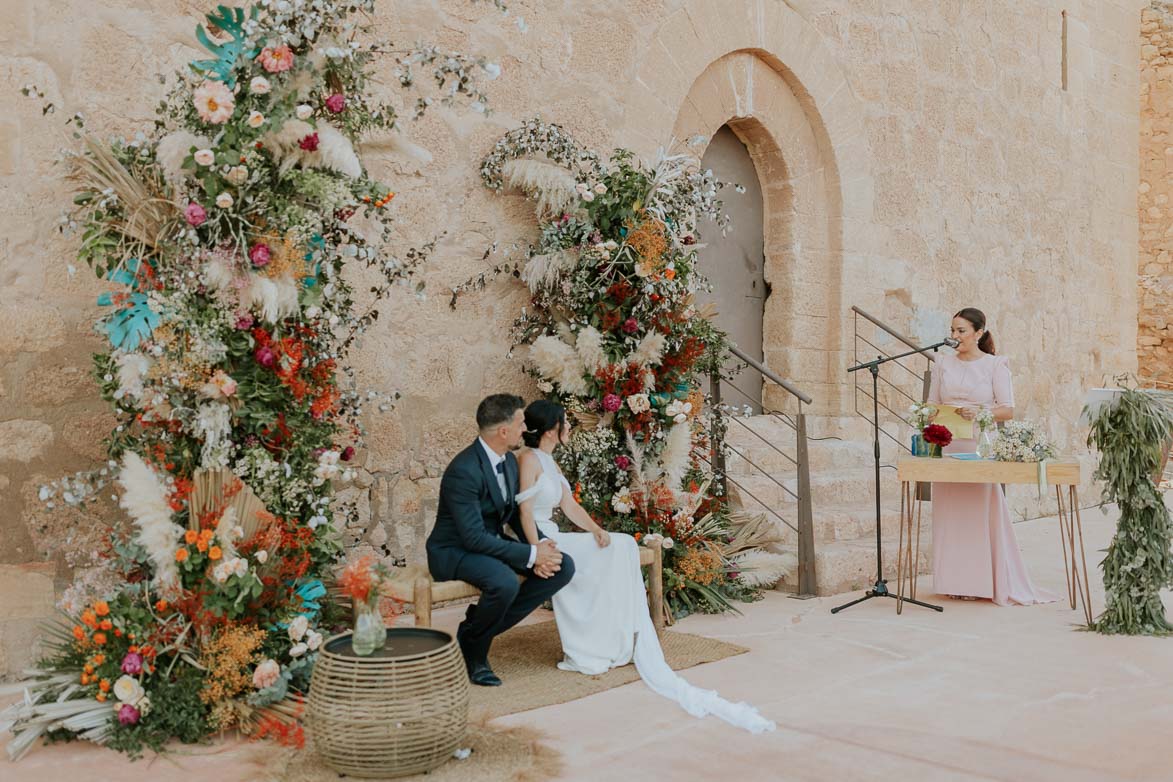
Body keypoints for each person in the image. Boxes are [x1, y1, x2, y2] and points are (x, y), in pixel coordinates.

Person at [511, 399, 775, 733]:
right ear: (551, 428)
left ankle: (616, 638)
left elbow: (569, 505)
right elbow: (523, 512)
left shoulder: (551, 462)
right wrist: (536, 548)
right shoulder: (528, 460)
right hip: (540, 540)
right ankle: (591, 646)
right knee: (619, 548)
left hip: (555, 534)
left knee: (620, 542)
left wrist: (596, 530)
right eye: (565, 422)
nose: (569, 426)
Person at [426, 394, 574, 686]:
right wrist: (530, 556)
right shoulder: (463, 471)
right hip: (454, 552)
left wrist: (541, 548)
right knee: (503, 581)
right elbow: (472, 537)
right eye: (521, 423)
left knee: (563, 566)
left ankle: (472, 631)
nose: (525, 429)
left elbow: (515, 515)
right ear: (503, 431)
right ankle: (476, 656)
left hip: (486, 546)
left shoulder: (507, 459)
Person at [928, 308, 1054, 605]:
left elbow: (1007, 409)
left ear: (979, 333)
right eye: (953, 330)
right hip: (949, 444)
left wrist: (980, 411)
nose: (955, 336)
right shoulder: (942, 364)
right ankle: (953, 581)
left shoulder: (995, 365)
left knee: (977, 512)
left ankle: (981, 583)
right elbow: (932, 403)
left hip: (980, 445)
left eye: (961, 331)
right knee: (951, 514)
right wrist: (935, 418)